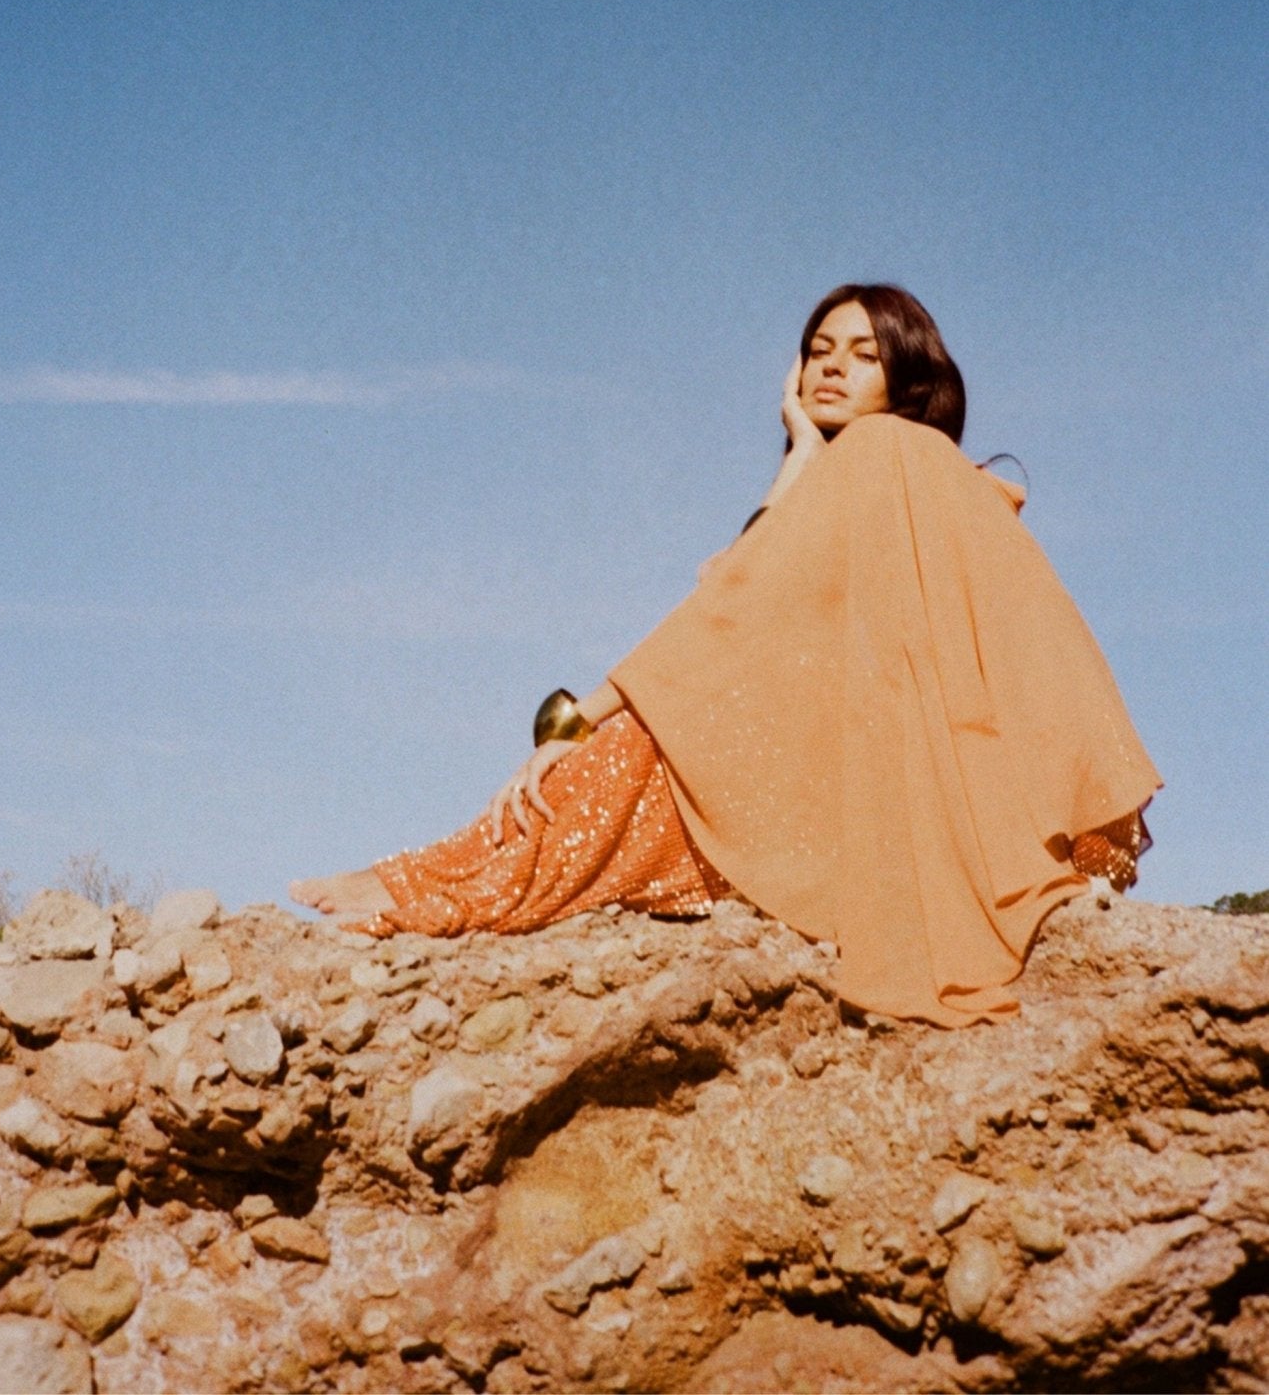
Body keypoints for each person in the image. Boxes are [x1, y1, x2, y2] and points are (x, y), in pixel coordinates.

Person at [291, 285, 1160, 1026]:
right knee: (653, 743)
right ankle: (432, 881)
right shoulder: (867, 471)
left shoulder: (889, 449)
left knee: (638, 745)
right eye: (816, 351)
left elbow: (730, 611)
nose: (829, 368)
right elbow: (745, 602)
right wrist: (800, 456)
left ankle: (428, 888)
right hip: (835, 771)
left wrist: (580, 718)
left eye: (861, 355)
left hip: (890, 783)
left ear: (905, 381)